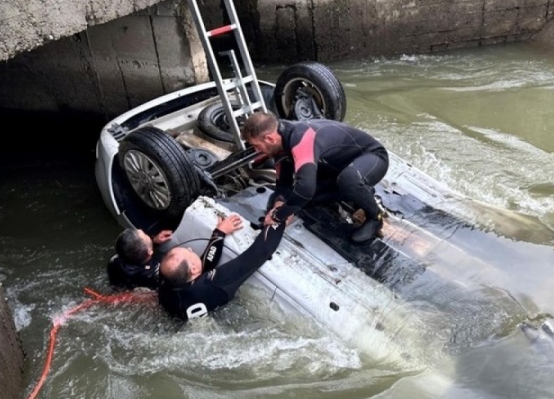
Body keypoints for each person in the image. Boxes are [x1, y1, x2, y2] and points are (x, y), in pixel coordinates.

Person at [241, 111, 389, 243]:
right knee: (294, 199)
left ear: (269, 139)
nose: (256, 150)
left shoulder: (300, 138)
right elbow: (283, 185)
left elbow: (306, 188)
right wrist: (280, 203)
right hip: (336, 168)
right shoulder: (279, 144)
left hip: (372, 157)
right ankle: (359, 191)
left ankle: (375, 218)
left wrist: (278, 216)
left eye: (256, 145)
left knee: (347, 180)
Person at [158, 220, 287, 321]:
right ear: (192, 268)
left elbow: (202, 267)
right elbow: (259, 253)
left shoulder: (165, 289)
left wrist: (219, 233)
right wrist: (279, 220)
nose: (191, 249)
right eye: (188, 251)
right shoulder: (214, 283)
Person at [108, 215, 243, 290]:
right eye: (146, 235)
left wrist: (153, 241)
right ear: (149, 253)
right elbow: (200, 267)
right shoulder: (155, 272)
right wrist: (219, 233)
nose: (146, 233)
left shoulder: (115, 261)